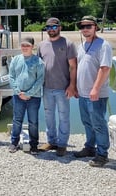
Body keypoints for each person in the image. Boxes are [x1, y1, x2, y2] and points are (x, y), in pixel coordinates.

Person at [73, 16, 112, 167]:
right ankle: (90, 147)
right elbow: (78, 68)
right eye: (82, 26)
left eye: (88, 26)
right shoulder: (81, 46)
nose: (85, 29)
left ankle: (102, 155)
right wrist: (75, 86)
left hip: (96, 94)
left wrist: (95, 88)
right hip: (82, 94)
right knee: (87, 122)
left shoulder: (103, 45)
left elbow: (105, 68)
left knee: (98, 124)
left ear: (95, 27)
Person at [37, 17, 77, 156]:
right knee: (49, 116)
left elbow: (73, 66)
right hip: (46, 88)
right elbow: (38, 67)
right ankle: (51, 141)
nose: (51, 30)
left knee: (64, 116)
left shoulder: (68, 43)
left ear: (59, 27)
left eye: (54, 27)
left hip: (63, 88)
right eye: (48, 27)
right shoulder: (41, 45)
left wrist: (72, 86)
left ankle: (62, 144)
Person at [8, 37, 45, 155]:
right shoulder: (15, 60)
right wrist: (18, 91)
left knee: (33, 121)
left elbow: (40, 80)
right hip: (18, 95)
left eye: (27, 45)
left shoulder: (39, 61)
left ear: (32, 46)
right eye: (23, 45)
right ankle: (14, 142)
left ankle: (34, 144)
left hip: (34, 97)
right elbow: (11, 76)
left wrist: (28, 94)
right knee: (17, 120)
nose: (25, 47)